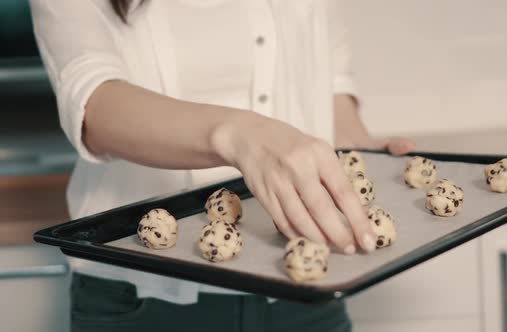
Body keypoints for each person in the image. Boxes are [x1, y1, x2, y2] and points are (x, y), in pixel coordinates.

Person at [30, 0, 414, 331]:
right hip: (142, 302)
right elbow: (94, 105)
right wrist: (240, 136)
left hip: (305, 293)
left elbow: (328, 84)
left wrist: (361, 153)